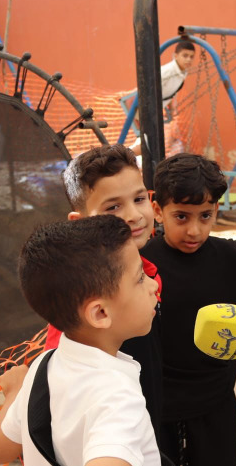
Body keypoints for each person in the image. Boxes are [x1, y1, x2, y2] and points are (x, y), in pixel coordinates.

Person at [0, 215, 162, 466]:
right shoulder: (116, 395)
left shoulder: (42, 369)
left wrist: (16, 393)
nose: (153, 285)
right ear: (100, 313)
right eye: (140, 278)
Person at [141, 153, 236, 466]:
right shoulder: (140, 266)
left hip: (215, 408)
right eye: (181, 216)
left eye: (205, 216)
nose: (194, 230)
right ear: (157, 208)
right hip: (157, 410)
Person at [43, 144, 164, 443]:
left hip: (150, 421)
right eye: (113, 207)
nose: (134, 215)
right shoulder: (78, 304)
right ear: (80, 223)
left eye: (138, 199)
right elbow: (57, 382)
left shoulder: (148, 270)